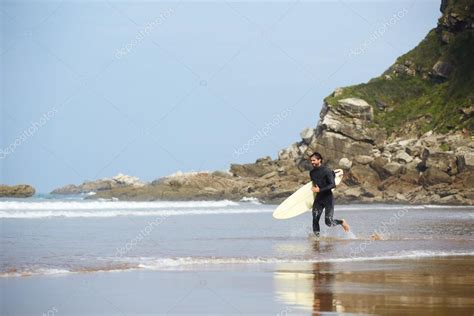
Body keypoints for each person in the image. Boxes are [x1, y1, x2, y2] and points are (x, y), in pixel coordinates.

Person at [309, 152, 350, 237]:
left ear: (319, 160)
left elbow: (332, 185)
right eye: (311, 160)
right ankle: (317, 239)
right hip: (318, 199)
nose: (312, 162)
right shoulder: (312, 173)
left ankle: (341, 222)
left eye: (314, 160)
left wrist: (319, 189)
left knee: (328, 222)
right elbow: (315, 184)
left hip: (328, 198)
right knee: (315, 219)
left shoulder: (326, 170)